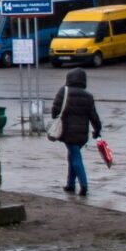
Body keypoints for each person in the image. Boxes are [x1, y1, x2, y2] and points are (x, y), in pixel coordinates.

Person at [50, 67, 102, 197]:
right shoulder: (88, 96)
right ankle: (70, 184)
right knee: (73, 154)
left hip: (68, 132)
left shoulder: (64, 91)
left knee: (75, 157)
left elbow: (55, 110)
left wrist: (57, 116)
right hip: (82, 134)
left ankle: (84, 185)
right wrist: (97, 130)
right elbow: (94, 116)